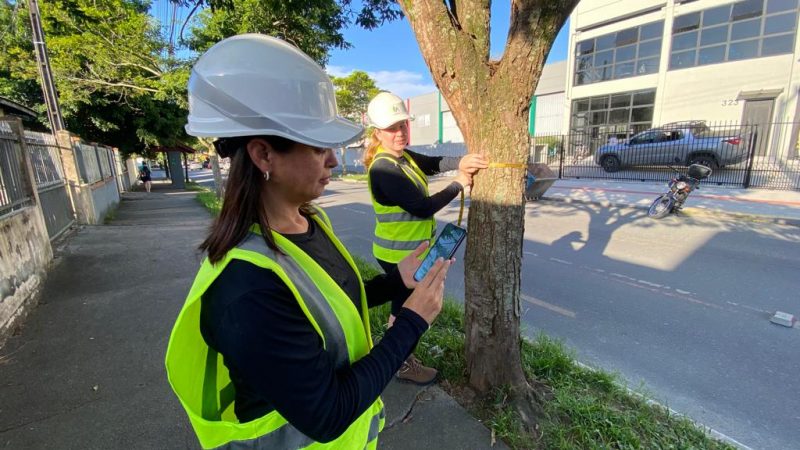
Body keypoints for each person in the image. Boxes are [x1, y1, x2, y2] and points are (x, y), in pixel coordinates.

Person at [164, 34, 453, 450]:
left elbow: (328, 306)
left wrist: (396, 283)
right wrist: (412, 322)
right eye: (319, 147)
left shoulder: (308, 220)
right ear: (264, 156)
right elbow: (328, 413)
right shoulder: (246, 288)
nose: (335, 160)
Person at [364, 91, 488, 384]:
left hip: (408, 252)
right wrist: (458, 184)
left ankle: (397, 358)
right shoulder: (384, 168)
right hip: (399, 256)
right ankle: (400, 363)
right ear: (378, 132)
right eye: (392, 128)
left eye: (403, 125)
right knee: (411, 309)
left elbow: (432, 162)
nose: (400, 133)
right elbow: (422, 208)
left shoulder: (403, 157)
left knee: (402, 306)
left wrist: (462, 161)